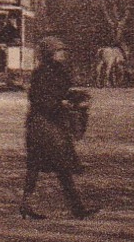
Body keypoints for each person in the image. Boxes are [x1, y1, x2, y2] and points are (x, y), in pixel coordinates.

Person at [21, 36, 97, 220]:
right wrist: (60, 103)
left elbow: (62, 92)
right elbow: (37, 99)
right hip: (42, 125)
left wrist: (76, 97)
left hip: (52, 125)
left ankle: (75, 208)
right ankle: (29, 204)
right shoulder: (42, 73)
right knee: (42, 167)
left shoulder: (59, 72)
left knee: (55, 167)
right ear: (49, 54)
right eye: (58, 51)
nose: (63, 53)